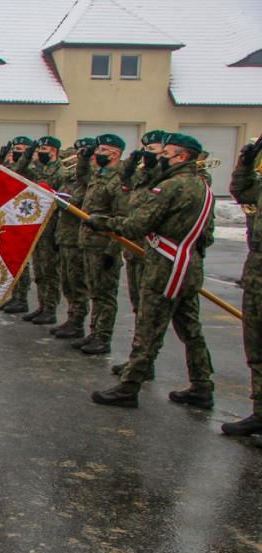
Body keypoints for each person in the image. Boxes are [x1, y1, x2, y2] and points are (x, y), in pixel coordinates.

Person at [87, 133, 215, 409]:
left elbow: (137, 225)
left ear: (182, 156)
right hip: (188, 267)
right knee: (190, 329)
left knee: (149, 327)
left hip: (166, 268)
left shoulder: (170, 187)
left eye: (166, 153)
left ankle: (129, 387)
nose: (160, 158)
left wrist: (104, 223)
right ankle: (202, 385)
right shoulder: (202, 186)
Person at [109, 130, 166, 380]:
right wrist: (134, 160)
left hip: (155, 251)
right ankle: (138, 360)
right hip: (134, 251)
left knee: (149, 312)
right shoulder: (142, 175)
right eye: (146, 149)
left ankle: (144, 363)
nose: (148, 154)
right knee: (137, 308)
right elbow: (122, 178)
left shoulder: (167, 178)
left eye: (153, 149)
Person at [72, 133, 126, 355]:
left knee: (104, 294)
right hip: (90, 243)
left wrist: (113, 251)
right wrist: (84, 159)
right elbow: (81, 175)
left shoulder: (119, 181)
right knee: (94, 291)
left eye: (102, 150)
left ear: (115, 154)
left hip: (105, 245)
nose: (97, 153)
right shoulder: (99, 176)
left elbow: (121, 217)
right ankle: (94, 333)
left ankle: (103, 337)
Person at [222, 134, 262, 435]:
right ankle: (259, 412)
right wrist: (245, 165)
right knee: (256, 347)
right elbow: (240, 191)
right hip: (256, 272)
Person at [15, 136, 66, 325]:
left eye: (44, 148)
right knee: (39, 270)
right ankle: (42, 306)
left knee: (50, 270)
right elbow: (18, 172)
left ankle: (50, 308)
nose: (41, 152)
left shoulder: (61, 172)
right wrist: (26, 156)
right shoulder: (37, 170)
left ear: (54, 151)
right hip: (37, 225)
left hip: (51, 227)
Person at [50, 138, 94, 339]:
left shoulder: (90, 179)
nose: (78, 156)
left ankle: (78, 322)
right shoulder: (71, 178)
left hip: (79, 238)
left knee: (78, 283)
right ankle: (71, 319)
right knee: (67, 282)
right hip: (65, 235)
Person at [0, 136, 34, 313]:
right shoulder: (14, 165)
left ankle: (22, 298)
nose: (17, 152)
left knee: (23, 263)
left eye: (21, 148)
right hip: (9, 218)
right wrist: (0, 158)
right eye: (15, 149)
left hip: (23, 220)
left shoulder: (31, 169)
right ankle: (16, 296)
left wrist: (26, 157)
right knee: (12, 261)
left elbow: (18, 172)